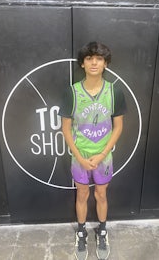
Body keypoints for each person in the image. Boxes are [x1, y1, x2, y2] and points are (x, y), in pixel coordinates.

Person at [59, 41, 126, 260]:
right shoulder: (72, 92)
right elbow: (66, 129)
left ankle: (103, 231)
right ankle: (81, 232)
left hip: (103, 156)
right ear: (82, 63)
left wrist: (102, 153)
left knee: (101, 194)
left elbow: (118, 127)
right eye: (89, 58)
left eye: (98, 58)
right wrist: (79, 156)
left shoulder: (114, 90)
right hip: (80, 157)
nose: (94, 62)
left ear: (106, 63)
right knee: (82, 193)